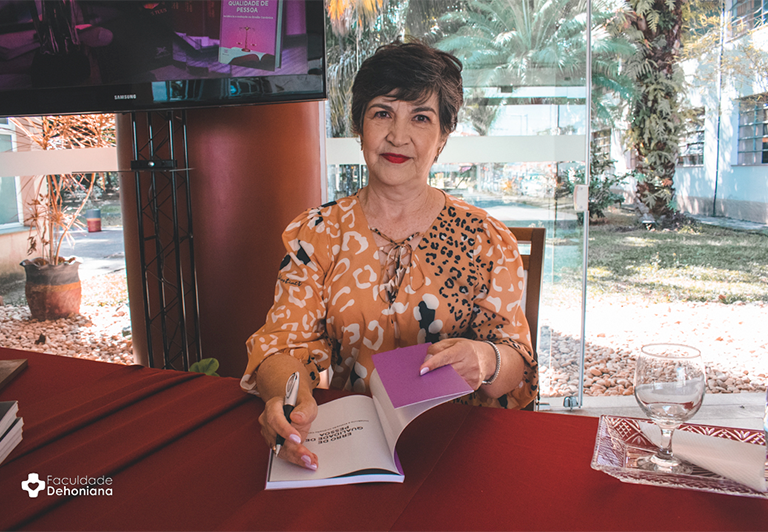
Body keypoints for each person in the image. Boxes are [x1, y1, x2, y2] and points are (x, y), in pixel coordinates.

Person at [240, 39, 538, 471]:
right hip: (352, 446)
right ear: (360, 126)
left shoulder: (486, 238)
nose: (398, 136)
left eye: (421, 117)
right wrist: (289, 398)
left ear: (443, 138)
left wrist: (485, 359)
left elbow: (517, 361)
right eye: (382, 113)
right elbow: (281, 346)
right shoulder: (317, 233)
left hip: (458, 448)